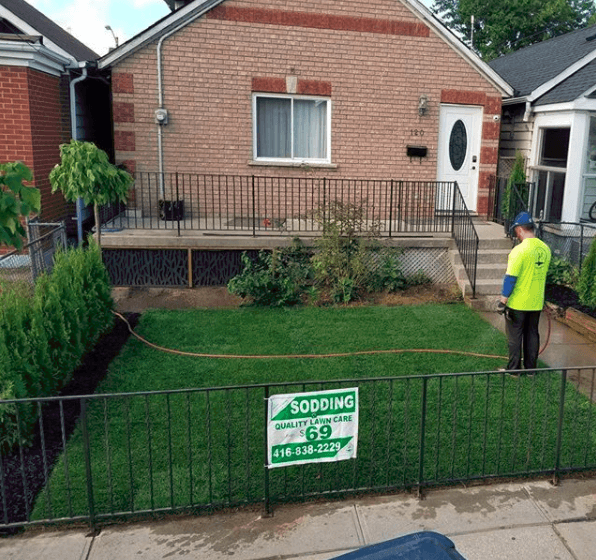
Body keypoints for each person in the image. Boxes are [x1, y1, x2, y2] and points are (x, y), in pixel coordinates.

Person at [499, 212, 551, 372]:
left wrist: (502, 301)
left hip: (518, 303)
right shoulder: (545, 249)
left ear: (520, 229)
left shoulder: (519, 251)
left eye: (516, 230)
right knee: (532, 334)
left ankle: (514, 370)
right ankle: (530, 369)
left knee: (515, 336)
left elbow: (510, 279)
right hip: (536, 302)